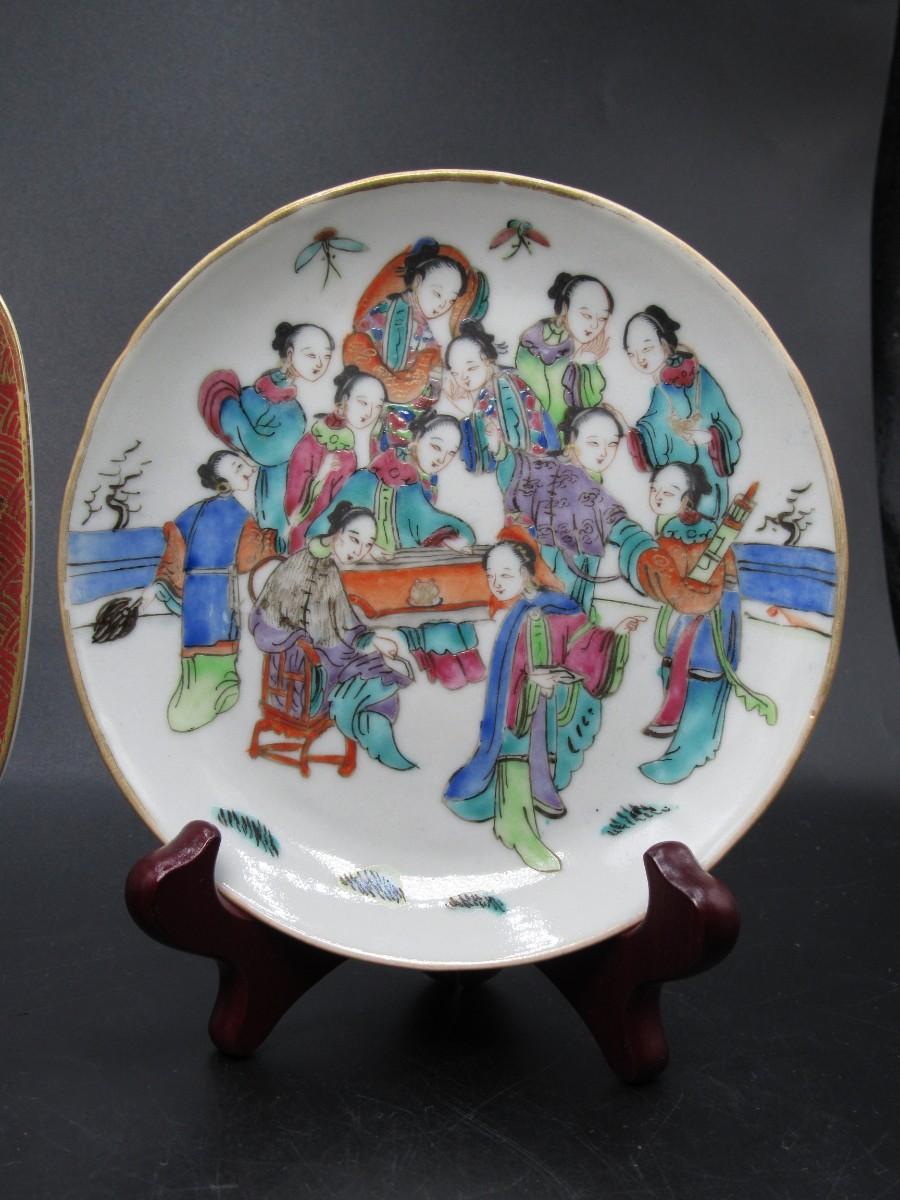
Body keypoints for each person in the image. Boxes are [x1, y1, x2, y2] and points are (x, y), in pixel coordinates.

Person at [444, 533, 644, 872]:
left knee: (519, 753)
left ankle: (520, 830)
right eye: (491, 576)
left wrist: (617, 635)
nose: (497, 583)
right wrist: (529, 679)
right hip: (518, 703)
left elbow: (582, 643)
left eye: (505, 575)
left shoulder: (551, 607)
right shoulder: (520, 611)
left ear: (526, 573)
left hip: (533, 705)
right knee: (513, 754)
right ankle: (517, 829)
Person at [250, 502, 415, 771]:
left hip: (318, 661)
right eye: (354, 539)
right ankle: (376, 739)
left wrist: (369, 640)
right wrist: (360, 641)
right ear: (337, 532)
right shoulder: (306, 566)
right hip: (300, 678)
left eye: (367, 544)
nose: (358, 551)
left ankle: (378, 739)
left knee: (374, 670)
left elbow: (339, 624)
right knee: (370, 678)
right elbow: (286, 624)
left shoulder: (326, 565)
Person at [636, 462, 768, 784]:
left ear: (688, 500)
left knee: (702, 674)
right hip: (690, 609)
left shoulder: (701, 535)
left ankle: (687, 754)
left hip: (714, 608)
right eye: (654, 489)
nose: (657, 497)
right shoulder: (669, 531)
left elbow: (704, 584)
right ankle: (674, 731)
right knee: (673, 666)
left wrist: (682, 591)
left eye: (669, 492)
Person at [142, 451, 278, 733]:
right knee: (217, 641)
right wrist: (273, 539)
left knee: (200, 644)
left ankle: (203, 695)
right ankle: (213, 694)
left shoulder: (199, 511)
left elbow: (176, 547)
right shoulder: (238, 514)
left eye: (243, 464)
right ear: (222, 482)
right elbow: (248, 558)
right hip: (216, 592)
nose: (248, 469)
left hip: (198, 592)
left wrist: (160, 584)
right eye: (238, 467)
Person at [198, 321, 335, 540]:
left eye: (326, 356)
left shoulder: (290, 396)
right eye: (311, 355)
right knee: (278, 538)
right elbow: (263, 449)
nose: (320, 363)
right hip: (278, 488)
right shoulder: (260, 396)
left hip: (295, 480)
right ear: (290, 354)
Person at [342, 237, 489, 438]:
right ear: (418, 281)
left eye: (450, 301)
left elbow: (429, 365)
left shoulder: (423, 327)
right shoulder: (389, 310)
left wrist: (431, 372)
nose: (442, 305)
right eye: (438, 294)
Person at [486, 405, 626, 611]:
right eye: (593, 443)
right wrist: (499, 449)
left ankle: (581, 617)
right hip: (553, 553)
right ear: (571, 441)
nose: (603, 453)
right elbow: (517, 468)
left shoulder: (597, 485)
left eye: (612, 444)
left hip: (588, 553)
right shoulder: (549, 471)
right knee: (559, 595)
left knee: (583, 597)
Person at [624, 305, 742, 520]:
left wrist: (710, 437)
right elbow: (652, 426)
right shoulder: (659, 390)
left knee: (703, 524)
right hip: (674, 483)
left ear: (664, 343)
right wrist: (636, 436)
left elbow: (729, 423)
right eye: (632, 354)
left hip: (706, 475)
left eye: (647, 348)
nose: (640, 359)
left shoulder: (700, 378)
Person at [308, 411, 475, 554]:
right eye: (436, 447)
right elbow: (321, 532)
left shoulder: (413, 487)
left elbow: (427, 521)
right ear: (416, 438)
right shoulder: (366, 479)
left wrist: (448, 538)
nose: (441, 459)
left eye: (451, 453)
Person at [283, 365, 386, 552]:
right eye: (363, 402)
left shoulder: (373, 446)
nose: (370, 412)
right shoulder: (315, 442)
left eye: (378, 406)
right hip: (313, 537)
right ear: (344, 401)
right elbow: (294, 512)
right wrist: (322, 476)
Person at [437, 318, 558, 472]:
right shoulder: (485, 394)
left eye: (471, 368)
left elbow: (521, 439)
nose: (464, 378)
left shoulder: (506, 387)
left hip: (535, 463)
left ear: (488, 360)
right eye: (456, 373)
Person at [515, 272, 614, 428]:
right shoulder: (539, 342)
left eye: (602, 318)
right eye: (586, 315)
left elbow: (590, 405)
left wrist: (586, 363)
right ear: (565, 308)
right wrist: (580, 363)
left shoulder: (588, 352)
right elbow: (543, 399)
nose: (595, 325)